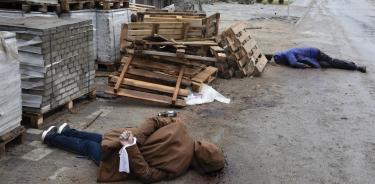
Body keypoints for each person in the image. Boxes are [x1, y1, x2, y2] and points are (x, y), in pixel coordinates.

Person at [41, 115, 225, 183]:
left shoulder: (180, 127)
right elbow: (147, 175)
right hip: (127, 146)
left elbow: (154, 120)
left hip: (123, 158)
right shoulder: (179, 167)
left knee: (93, 145)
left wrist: (133, 144)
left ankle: (53, 137)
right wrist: (135, 139)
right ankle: (62, 134)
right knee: (98, 140)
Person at [273, 47, 367, 73]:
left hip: (316, 53)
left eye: (280, 61)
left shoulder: (288, 54)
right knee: (327, 64)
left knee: (332, 62)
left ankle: (356, 67)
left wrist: (304, 66)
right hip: (313, 56)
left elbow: (294, 63)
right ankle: (349, 64)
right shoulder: (286, 53)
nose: (280, 63)